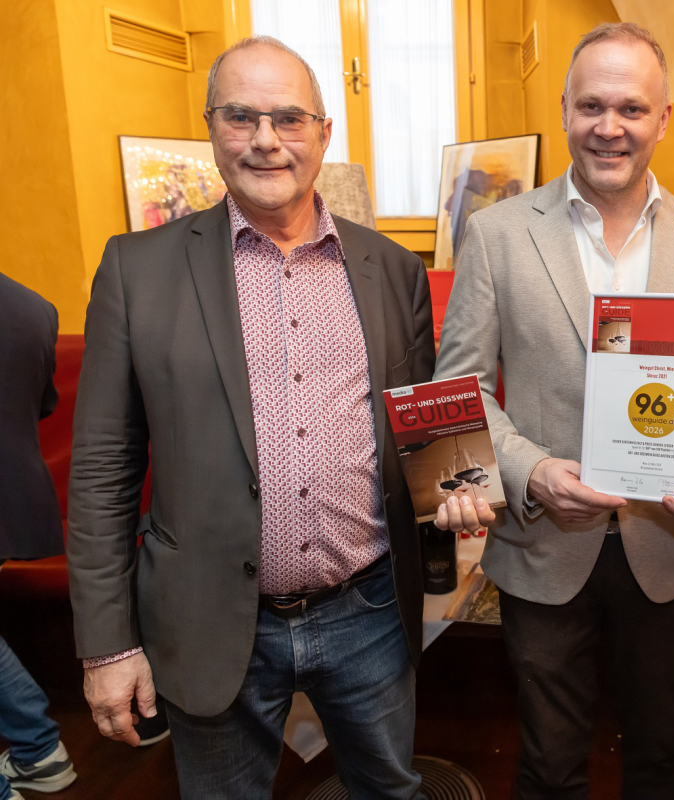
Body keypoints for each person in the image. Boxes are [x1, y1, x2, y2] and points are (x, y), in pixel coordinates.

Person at [67, 36, 488, 799]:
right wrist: (107, 647)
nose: (266, 139)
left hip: (369, 611)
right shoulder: (137, 271)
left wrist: (461, 493)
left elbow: (420, 430)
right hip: (210, 619)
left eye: (289, 118)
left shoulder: (393, 270)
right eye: (242, 116)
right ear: (211, 127)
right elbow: (102, 472)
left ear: (324, 133)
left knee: (388, 790)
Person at [434, 22, 674, 799]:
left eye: (631, 108)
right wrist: (534, 472)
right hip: (543, 548)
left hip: (668, 546)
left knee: (660, 762)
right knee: (548, 767)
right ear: (565, 110)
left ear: (663, 118)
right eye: (591, 106)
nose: (609, 127)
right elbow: (460, 391)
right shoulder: (497, 234)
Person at [0, 273, 76, 799]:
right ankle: (37, 749)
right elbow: (42, 405)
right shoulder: (34, 307)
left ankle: (36, 749)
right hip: (17, 493)